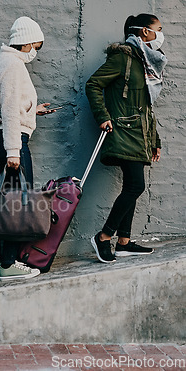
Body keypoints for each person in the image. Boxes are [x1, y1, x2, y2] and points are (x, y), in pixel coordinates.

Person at [86, 13, 165, 263]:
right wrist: (102, 116)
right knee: (135, 186)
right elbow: (93, 84)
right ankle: (103, 237)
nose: (161, 35)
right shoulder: (123, 58)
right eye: (158, 29)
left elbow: (146, 107)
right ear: (144, 32)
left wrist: (155, 140)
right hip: (123, 132)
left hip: (139, 136)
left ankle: (123, 242)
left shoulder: (144, 61)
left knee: (131, 186)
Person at [0, 17, 57, 281]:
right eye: (35, 46)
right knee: (20, 204)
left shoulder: (2, 62)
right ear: (26, 42)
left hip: (2, 137)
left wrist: (33, 111)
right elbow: (9, 111)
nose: (35, 52)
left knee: (1, 204)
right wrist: (14, 151)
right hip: (12, 141)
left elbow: (12, 106)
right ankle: (8, 264)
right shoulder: (14, 66)